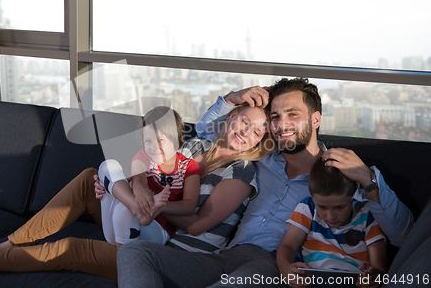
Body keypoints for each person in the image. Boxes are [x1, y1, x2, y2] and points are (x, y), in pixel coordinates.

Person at [116, 77, 414, 288]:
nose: (281, 123)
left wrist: (369, 178)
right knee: (134, 253)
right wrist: (232, 99)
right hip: (222, 256)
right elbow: (209, 135)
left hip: (273, 265)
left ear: (315, 119)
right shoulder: (260, 159)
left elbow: (403, 235)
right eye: (275, 116)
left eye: (292, 114)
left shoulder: (338, 175)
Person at [0, 103, 272, 281]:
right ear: (231, 117)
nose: (247, 132)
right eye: (245, 120)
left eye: (258, 131)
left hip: (173, 254)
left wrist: (148, 205)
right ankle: (12, 243)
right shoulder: (195, 144)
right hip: (142, 222)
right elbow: (145, 170)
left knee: (68, 249)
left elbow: (197, 225)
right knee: (91, 176)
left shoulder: (243, 171)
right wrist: (118, 191)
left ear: (261, 142)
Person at [98, 106, 201, 248]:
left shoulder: (189, 166)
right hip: (117, 225)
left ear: (176, 139)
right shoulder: (143, 157)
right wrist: (142, 198)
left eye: (160, 140)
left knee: (123, 210)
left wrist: (159, 207)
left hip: (155, 230)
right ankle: (136, 209)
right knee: (108, 165)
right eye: (148, 141)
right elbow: (139, 179)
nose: (154, 147)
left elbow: (189, 205)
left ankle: (125, 260)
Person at [277, 157, 386, 288]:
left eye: (339, 207)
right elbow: (288, 245)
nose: (331, 216)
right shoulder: (308, 208)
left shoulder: (367, 216)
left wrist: (374, 276)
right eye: (322, 207)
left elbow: (379, 269)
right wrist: (285, 268)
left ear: (353, 196)